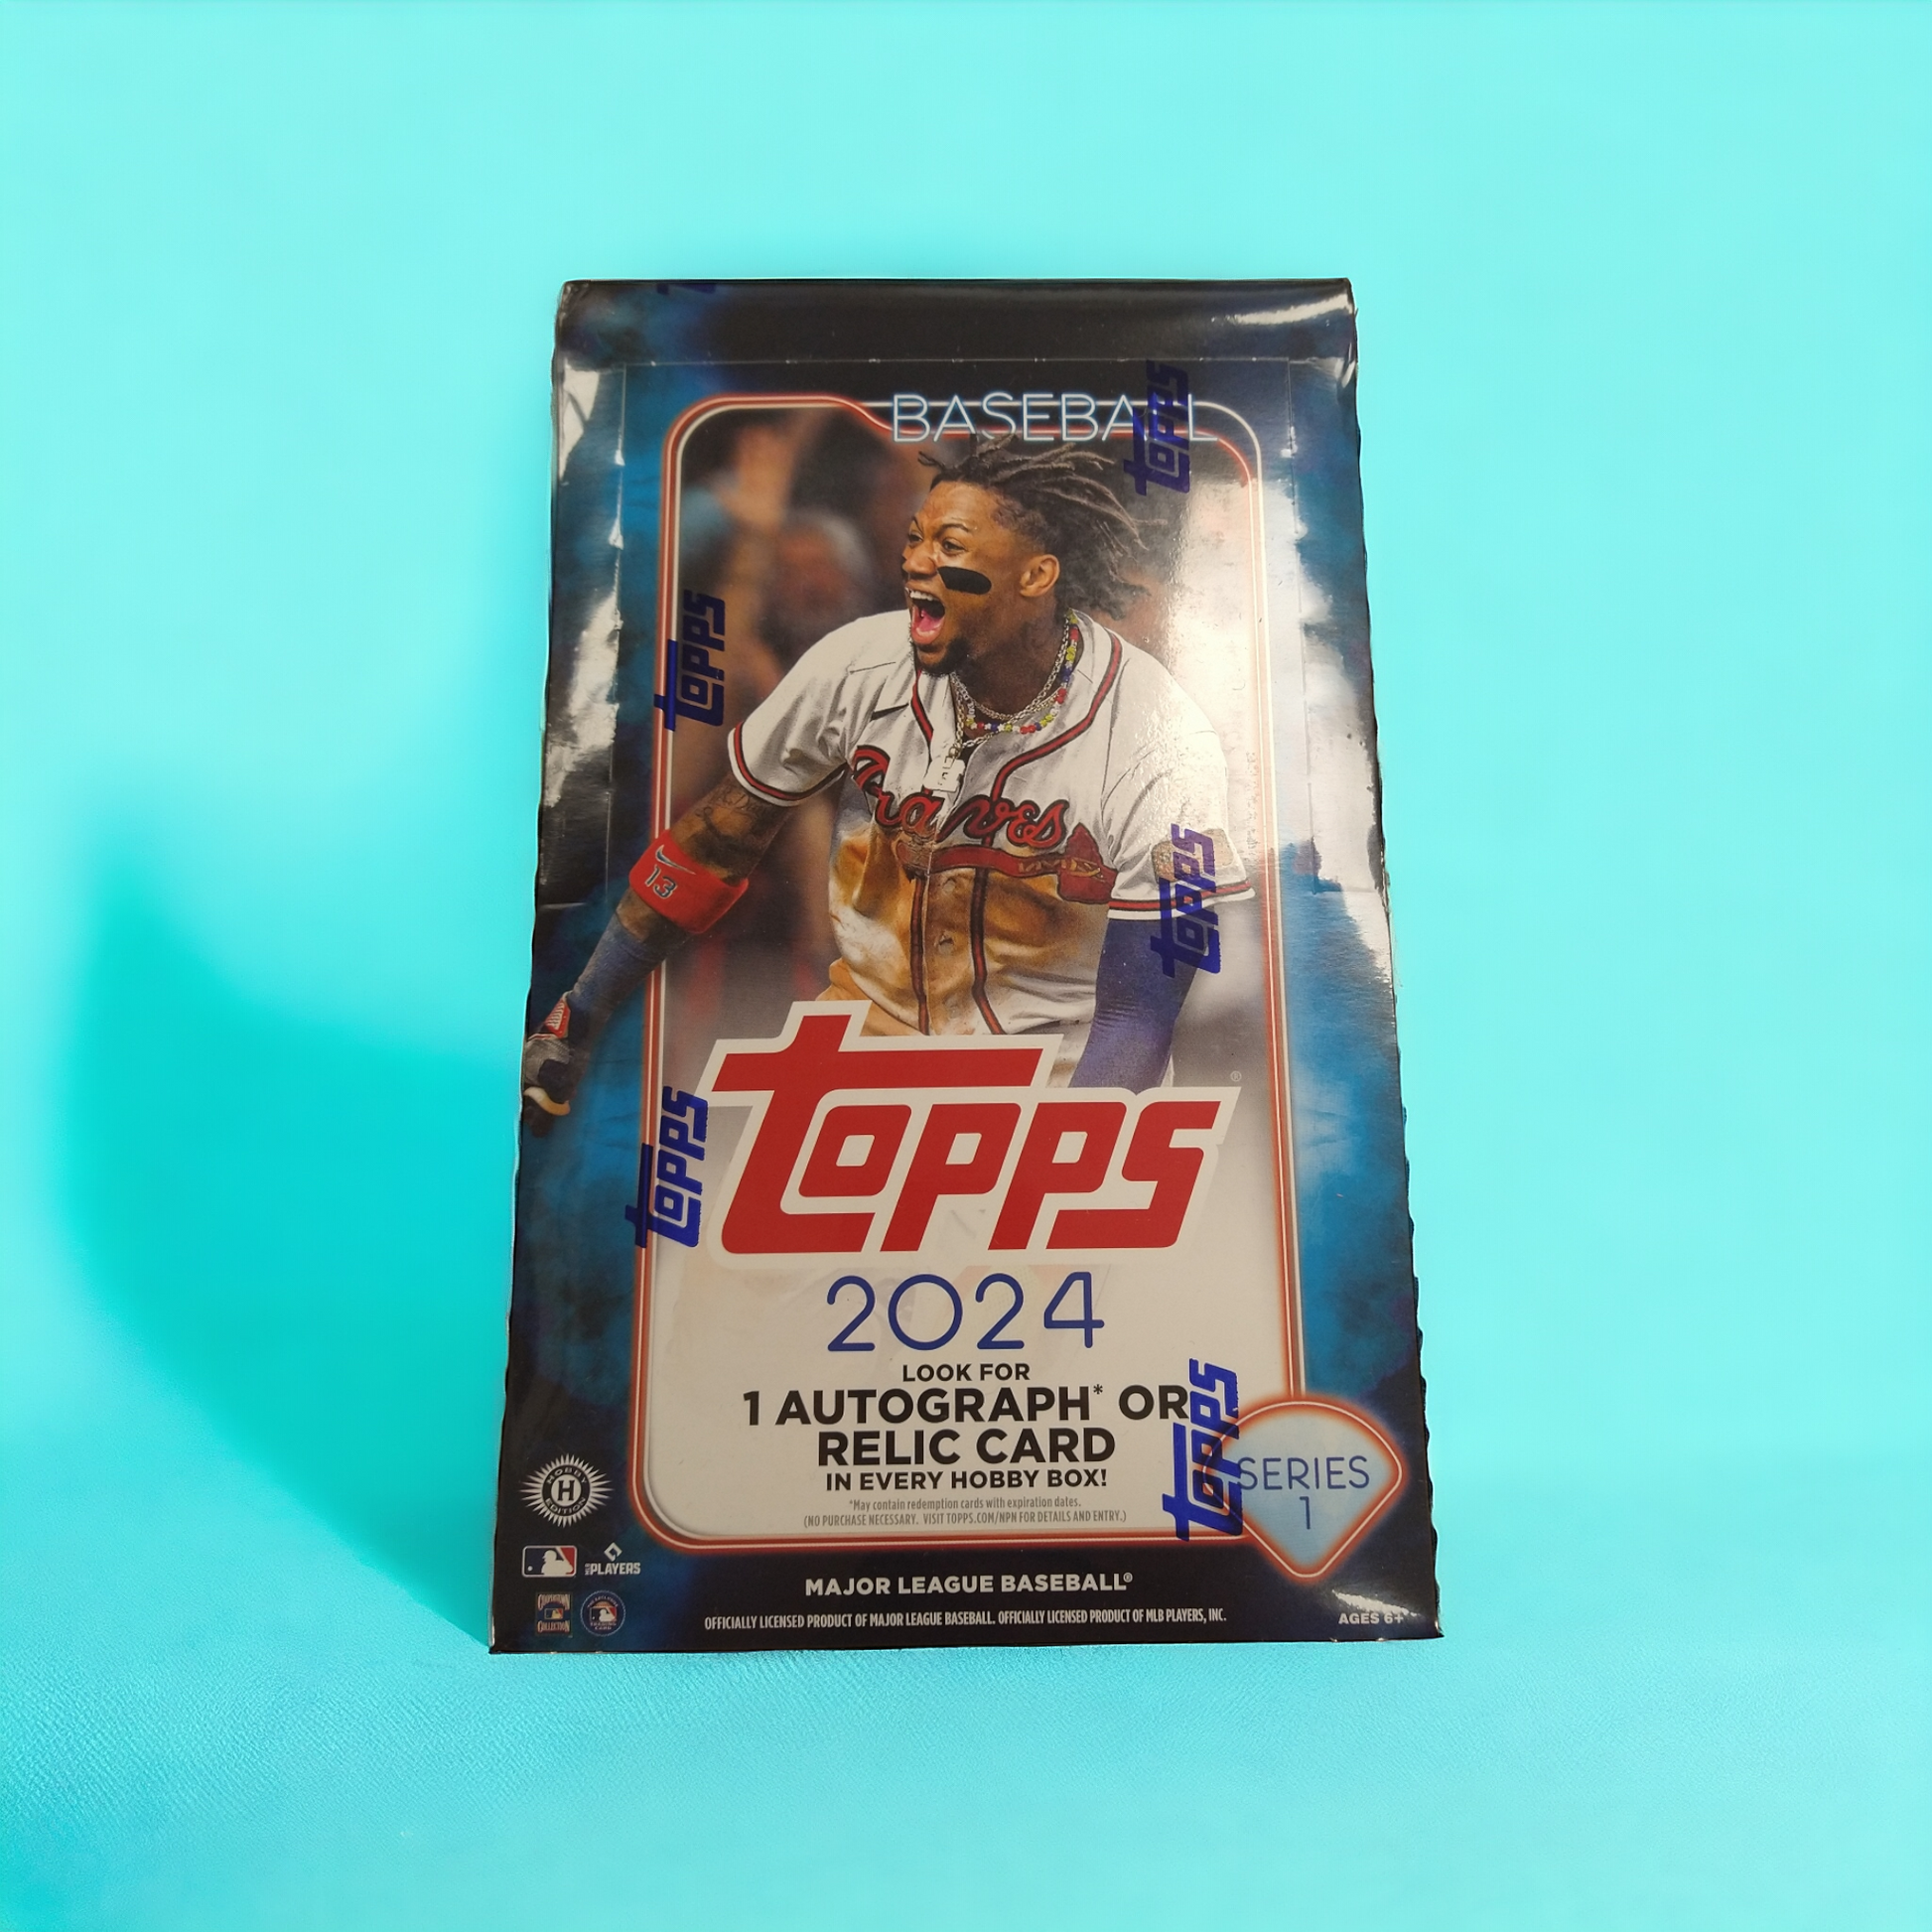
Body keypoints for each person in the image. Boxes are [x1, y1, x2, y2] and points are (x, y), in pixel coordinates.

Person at [522, 436, 1247, 1134]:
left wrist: (1061, 1165)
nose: (916, 563)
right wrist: (576, 1015)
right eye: (914, 539)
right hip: (862, 1068)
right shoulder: (858, 666)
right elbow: (713, 843)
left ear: (1036, 577)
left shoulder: (1158, 740)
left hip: (1059, 1085)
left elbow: (1137, 1019)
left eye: (950, 546)